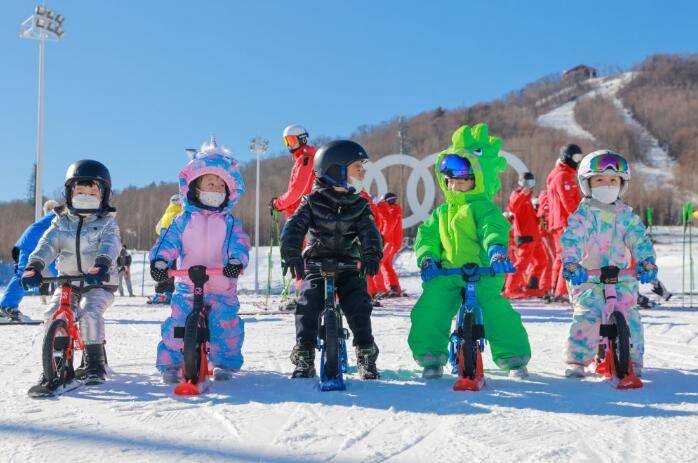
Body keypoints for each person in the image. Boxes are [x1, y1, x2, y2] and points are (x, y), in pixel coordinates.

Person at [408, 124, 531, 379]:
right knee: (431, 308)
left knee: (496, 312)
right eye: (449, 181)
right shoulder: (441, 213)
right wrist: (428, 258)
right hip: (447, 273)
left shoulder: (484, 209)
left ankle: (513, 357)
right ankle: (430, 355)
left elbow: (493, 229)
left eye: (462, 180)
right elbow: (427, 236)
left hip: (483, 273)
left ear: (478, 180)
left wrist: (497, 251)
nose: (454, 186)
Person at [281, 140, 383, 380]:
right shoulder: (311, 202)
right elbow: (293, 228)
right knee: (308, 304)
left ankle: (366, 352)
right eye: (358, 165)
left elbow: (370, 233)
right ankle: (305, 353)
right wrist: (292, 253)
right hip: (317, 263)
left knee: (359, 304)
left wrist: (371, 254)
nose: (363, 170)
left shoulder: (359, 205)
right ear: (336, 169)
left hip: (348, 265)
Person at [149, 141, 250, 384]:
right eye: (210, 183)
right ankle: (172, 363)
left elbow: (239, 243)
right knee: (178, 323)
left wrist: (236, 261)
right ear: (195, 188)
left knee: (224, 323)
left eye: (220, 185)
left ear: (228, 192)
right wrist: (161, 262)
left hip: (221, 285)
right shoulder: (183, 221)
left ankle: (224, 362)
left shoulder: (229, 223)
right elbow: (167, 242)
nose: (215, 189)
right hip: (186, 283)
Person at [21, 160, 121, 394]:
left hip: (98, 283)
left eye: (91, 192)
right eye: (80, 192)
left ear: (103, 195)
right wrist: (34, 266)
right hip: (67, 282)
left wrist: (102, 264)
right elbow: (47, 244)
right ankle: (54, 364)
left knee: (89, 311)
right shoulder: (61, 222)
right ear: (69, 193)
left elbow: (110, 246)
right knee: (53, 311)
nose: (85, 196)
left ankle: (94, 363)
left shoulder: (107, 223)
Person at [560, 150, 656, 378]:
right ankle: (578, 360)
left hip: (622, 277)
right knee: (588, 315)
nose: (607, 184)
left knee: (630, 315)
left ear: (621, 184)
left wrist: (646, 262)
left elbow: (639, 240)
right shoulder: (583, 216)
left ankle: (632, 360)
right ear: (587, 184)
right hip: (589, 279)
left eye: (613, 180)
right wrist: (572, 263)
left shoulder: (626, 217)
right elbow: (572, 239)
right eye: (600, 180)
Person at [271, 124, 317, 311]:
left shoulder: (306, 159)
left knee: (299, 256)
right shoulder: (303, 159)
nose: (289, 146)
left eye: (292, 141)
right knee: (300, 255)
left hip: (303, 216)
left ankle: (304, 296)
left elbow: (297, 191)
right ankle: (304, 293)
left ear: (303, 139)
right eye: (286, 142)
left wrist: (278, 203)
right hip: (301, 212)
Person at [0, 200, 59, 321]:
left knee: (62, 272)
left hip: (37, 244)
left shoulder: (60, 214)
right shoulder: (65, 213)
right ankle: (6, 308)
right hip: (35, 244)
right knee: (62, 272)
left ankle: (6, 307)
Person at [546, 144, 583, 300]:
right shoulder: (563, 177)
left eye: (579, 158)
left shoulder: (560, 174)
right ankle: (561, 291)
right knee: (568, 256)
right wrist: (582, 218)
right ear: (567, 157)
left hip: (560, 222)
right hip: (565, 222)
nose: (577, 161)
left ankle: (555, 289)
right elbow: (569, 202)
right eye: (575, 158)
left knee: (561, 256)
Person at [504, 173, 547, 298]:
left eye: (532, 183)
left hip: (534, 236)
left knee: (541, 261)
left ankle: (532, 287)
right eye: (527, 183)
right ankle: (510, 288)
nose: (529, 186)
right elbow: (512, 207)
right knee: (522, 263)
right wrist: (523, 193)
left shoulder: (528, 199)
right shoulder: (516, 194)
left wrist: (540, 219)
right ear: (521, 183)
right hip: (524, 236)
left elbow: (530, 217)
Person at [149, 194, 183, 304]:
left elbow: (158, 228)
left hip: (163, 245)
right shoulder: (182, 213)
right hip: (177, 247)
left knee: (161, 268)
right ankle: (169, 293)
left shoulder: (166, 214)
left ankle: (159, 293)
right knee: (173, 271)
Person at [377, 192, 404, 298]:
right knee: (386, 264)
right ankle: (393, 287)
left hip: (389, 242)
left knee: (379, 264)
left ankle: (380, 289)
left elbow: (389, 225)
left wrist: (382, 237)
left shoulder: (393, 211)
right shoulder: (395, 210)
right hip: (392, 242)